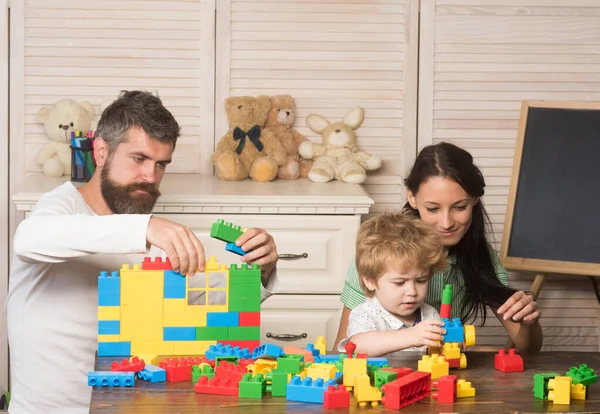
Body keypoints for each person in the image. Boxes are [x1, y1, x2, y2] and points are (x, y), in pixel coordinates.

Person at [5, 91, 280, 414]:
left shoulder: (141, 227)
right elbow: (28, 238)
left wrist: (258, 272)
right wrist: (145, 227)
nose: (151, 177)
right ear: (102, 151)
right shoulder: (61, 207)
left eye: (160, 164)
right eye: (139, 159)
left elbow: (197, 302)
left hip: (129, 405)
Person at [335, 142, 543, 353]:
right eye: (433, 208)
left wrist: (528, 322)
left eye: (460, 207)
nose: (446, 223)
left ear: (474, 200)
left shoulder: (479, 257)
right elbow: (345, 349)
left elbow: (529, 349)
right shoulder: (379, 255)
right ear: (412, 198)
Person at [337, 212, 448, 357]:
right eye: (399, 282)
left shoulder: (429, 314)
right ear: (370, 281)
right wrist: (411, 336)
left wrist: (450, 343)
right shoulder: (366, 314)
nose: (412, 291)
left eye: (421, 280)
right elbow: (358, 345)